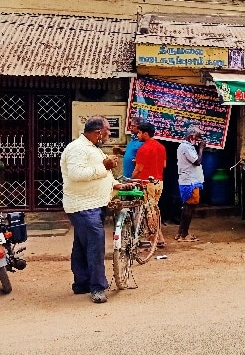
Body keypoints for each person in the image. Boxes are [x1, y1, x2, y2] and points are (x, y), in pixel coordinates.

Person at [60, 116, 130, 304]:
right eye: (108, 131)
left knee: (83, 244)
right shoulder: (77, 148)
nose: (109, 134)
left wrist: (115, 184)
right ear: (98, 131)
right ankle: (97, 287)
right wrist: (103, 166)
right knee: (95, 245)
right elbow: (76, 174)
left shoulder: (93, 148)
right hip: (83, 206)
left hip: (93, 204)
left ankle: (82, 282)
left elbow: (102, 175)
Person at [132, 121, 167, 248]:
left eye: (139, 133)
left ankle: (156, 239)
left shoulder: (143, 149)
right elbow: (163, 165)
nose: (137, 135)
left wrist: (131, 179)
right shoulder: (161, 147)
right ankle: (159, 237)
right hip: (159, 182)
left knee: (149, 211)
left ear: (145, 134)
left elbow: (138, 169)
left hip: (147, 183)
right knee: (154, 209)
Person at [176, 126, 205, 242]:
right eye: (198, 137)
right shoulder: (186, 147)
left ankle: (181, 233)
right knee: (190, 208)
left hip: (190, 180)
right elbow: (197, 161)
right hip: (190, 181)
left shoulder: (187, 147)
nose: (199, 140)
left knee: (187, 207)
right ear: (192, 136)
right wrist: (201, 148)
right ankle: (184, 235)